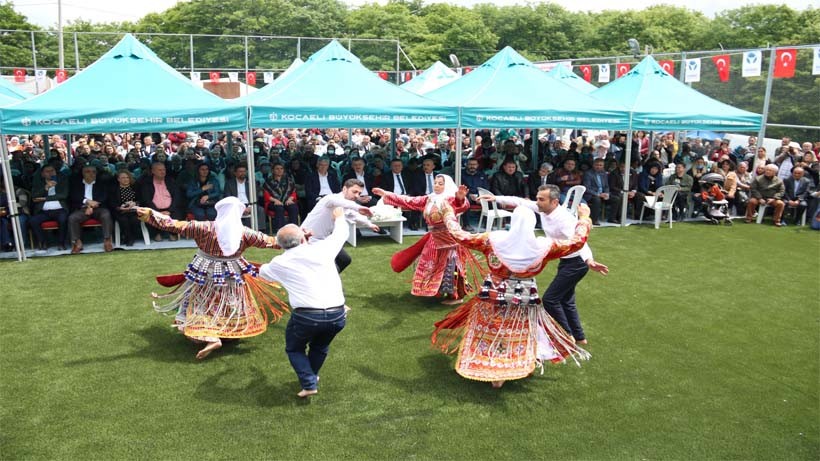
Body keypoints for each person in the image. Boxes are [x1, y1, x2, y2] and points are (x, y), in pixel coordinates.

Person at [433, 205, 593, 388]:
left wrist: (448, 213)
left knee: (491, 330)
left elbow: (459, 235)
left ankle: (491, 370)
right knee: (516, 332)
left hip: (492, 294)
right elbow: (577, 242)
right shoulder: (544, 246)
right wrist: (584, 218)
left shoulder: (492, 239)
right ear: (533, 223)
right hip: (523, 297)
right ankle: (512, 367)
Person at [137, 197, 288, 360]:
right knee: (231, 301)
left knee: (201, 304)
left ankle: (210, 337)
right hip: (232, 273)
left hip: (205, 272)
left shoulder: (204, 227)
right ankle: (227, 331)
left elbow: (173, 225)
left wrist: (149, 214)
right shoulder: (245, 232)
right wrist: (302, 238)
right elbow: (273, 242)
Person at [483, 185, 608, 344]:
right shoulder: (543, 208)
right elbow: (520, 201)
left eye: (541, 199)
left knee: (550, 299)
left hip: (577, 263)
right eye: (537, 198)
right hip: (567, 261)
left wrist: (588, 260)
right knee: (566, 300)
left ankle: (566, 335)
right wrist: (496, 198)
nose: (537, 202)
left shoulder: (564, 219)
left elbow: (579, 241)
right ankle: (579, 337)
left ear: (554, 202)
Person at [259, 207, 350, 398]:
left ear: (281, 245)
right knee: (320, 346)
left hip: (307, 316)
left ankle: (309, 382)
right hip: (337, 313)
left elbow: (263, 272)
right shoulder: (323, 249)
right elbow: (341, 233)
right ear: (303, 239)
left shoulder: (279, 262)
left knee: (294, 348)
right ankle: (312, 376)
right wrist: (339, 217)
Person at [372, 175, 483, 305]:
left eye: (440, 183)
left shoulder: (449, 199)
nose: (436, 185)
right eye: (435, 183)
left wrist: (460, 198)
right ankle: (435, 290)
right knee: (429, 263)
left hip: (449, 238)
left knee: (451, 267)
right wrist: (386, 194)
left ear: (446, 185)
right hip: (434, 237)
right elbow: (409, 201)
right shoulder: (429, 198)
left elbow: (461, 206)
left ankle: (456, 296)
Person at [300, 178, 376, 273]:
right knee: (330, 268)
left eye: (359, 193)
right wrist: (359, 207)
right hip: (308, 240)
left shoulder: (347, 205)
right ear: (344, 189)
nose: (357, 196)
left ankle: (325, 282)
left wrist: (369, 224)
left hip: (324, 240)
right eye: (354, 192)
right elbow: (341, 203)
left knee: (344, 260)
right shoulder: (330, 199)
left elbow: (353, 214)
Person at [68, 164, 114, 254]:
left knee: (106, 215)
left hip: (98, 208)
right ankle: (77, 242)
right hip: (82, 208)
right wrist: (87, 202)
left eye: (93, 172)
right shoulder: (76, 184)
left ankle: (107, 240)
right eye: (88, 172)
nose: (91, 174)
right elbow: (74, 197)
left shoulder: (101, 183)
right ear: (82, 173)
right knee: (72, 218)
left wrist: (91, 206)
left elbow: (104, 196)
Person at [29, 165, 69, 251]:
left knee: (63, 219)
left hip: (60, 209)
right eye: (47, 171)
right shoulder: (38, 183)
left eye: (52, 170)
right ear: (42, 174)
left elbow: (63, 195)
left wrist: (45, 198)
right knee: (33, 221)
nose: (51, 173)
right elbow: (34, 196)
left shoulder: (62, 181)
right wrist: (45, 188)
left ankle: (61, 243)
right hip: (44, 211)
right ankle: (43, 242)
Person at [109, 170, 141, 246]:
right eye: (123, 178)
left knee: (134, 220)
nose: (126, 179)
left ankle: (130, 238)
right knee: (123, 220)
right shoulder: (113, 189)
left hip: (134, 210)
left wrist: (135, 203)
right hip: (120, 211)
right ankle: (128, 238)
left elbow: (141, 199)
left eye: (127, 177)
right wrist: (120, 208)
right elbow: (111, 202)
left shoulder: (135, 187)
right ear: (118, 179)